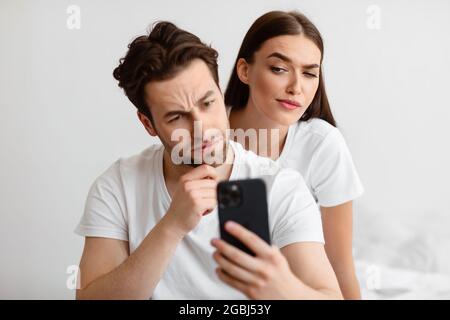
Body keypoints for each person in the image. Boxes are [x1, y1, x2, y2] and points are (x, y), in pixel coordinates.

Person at [74, 21, 342, 299]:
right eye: (177, 116)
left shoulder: (279, 186)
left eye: (207, 103)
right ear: (148, 124)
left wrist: (281, 287)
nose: (202, 129)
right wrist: (172, 226)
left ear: (220, 92)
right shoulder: (119, 185)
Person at [224, 11, 364, 299]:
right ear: (245, 70)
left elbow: (339, 264)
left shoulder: (322, 144)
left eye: (310, 73)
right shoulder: (207, 136)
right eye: (279, 69)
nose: (296, 87)